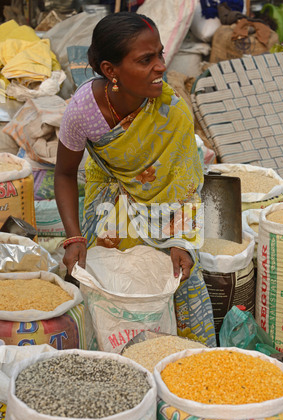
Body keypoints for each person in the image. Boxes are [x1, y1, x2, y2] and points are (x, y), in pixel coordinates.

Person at [54, 12, 216, 347]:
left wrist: (180, 241)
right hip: (108, 204)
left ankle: (179, 361)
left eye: (160, 55)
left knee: (178, 281)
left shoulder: (173, 112)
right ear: (110, 71)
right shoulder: (84, 111)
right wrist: (74, 238)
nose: (160, 66)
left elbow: (186, 183)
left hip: (165, 210)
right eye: (145, 60)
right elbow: (65, 173)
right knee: (104, 282)